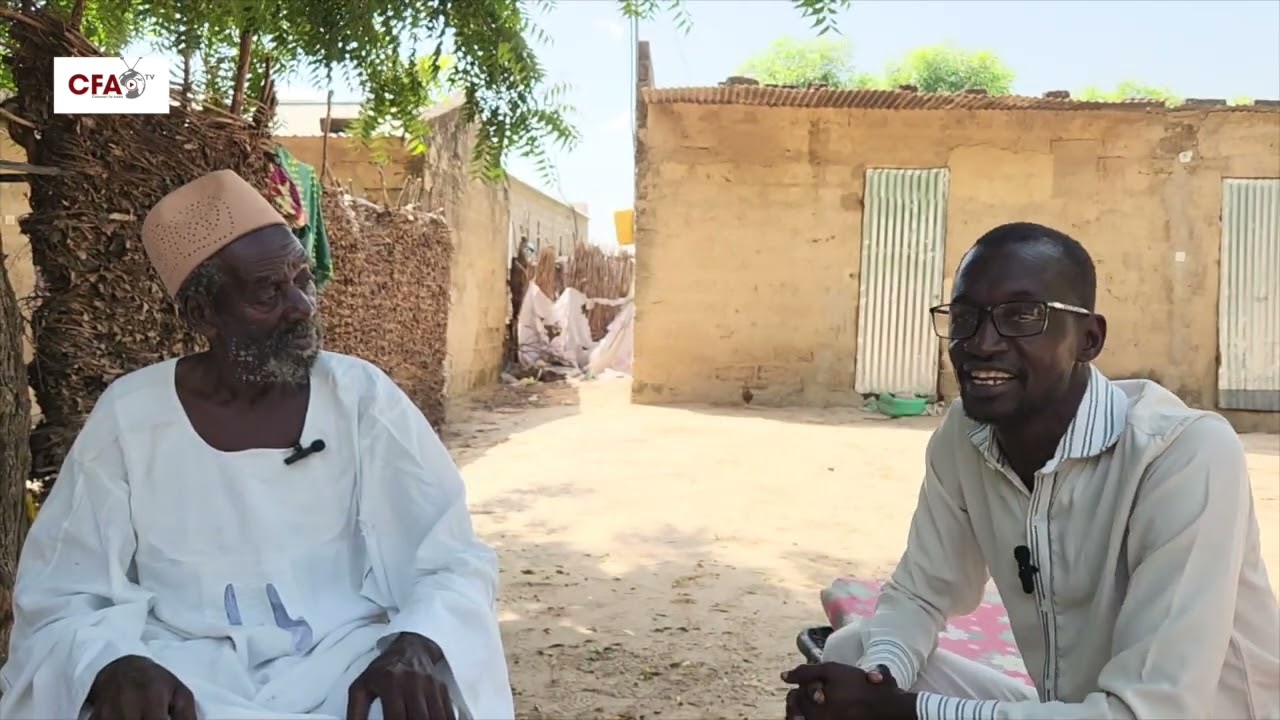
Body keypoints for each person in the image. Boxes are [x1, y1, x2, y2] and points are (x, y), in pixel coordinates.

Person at [0, 170, 514, 720]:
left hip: (346, 663)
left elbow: (452, 558)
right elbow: (63, 590)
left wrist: (419, 640)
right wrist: (114, 661)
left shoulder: (361, 398)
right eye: (269, 291)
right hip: (181, 672)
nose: (301, 306)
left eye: (302, 279)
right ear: (203, 315)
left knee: (426, 696)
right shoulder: (132, 415)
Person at [782, 222, 1279, 720]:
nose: (982, 343)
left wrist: (903, 713)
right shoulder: (966, 434)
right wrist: (874, 687)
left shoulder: (1182, 455)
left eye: (1022, 316)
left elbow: (1153, 710)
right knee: (853, 651)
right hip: (1069, 711)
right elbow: (920, 592)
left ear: (1089, 339)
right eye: (965, 317)